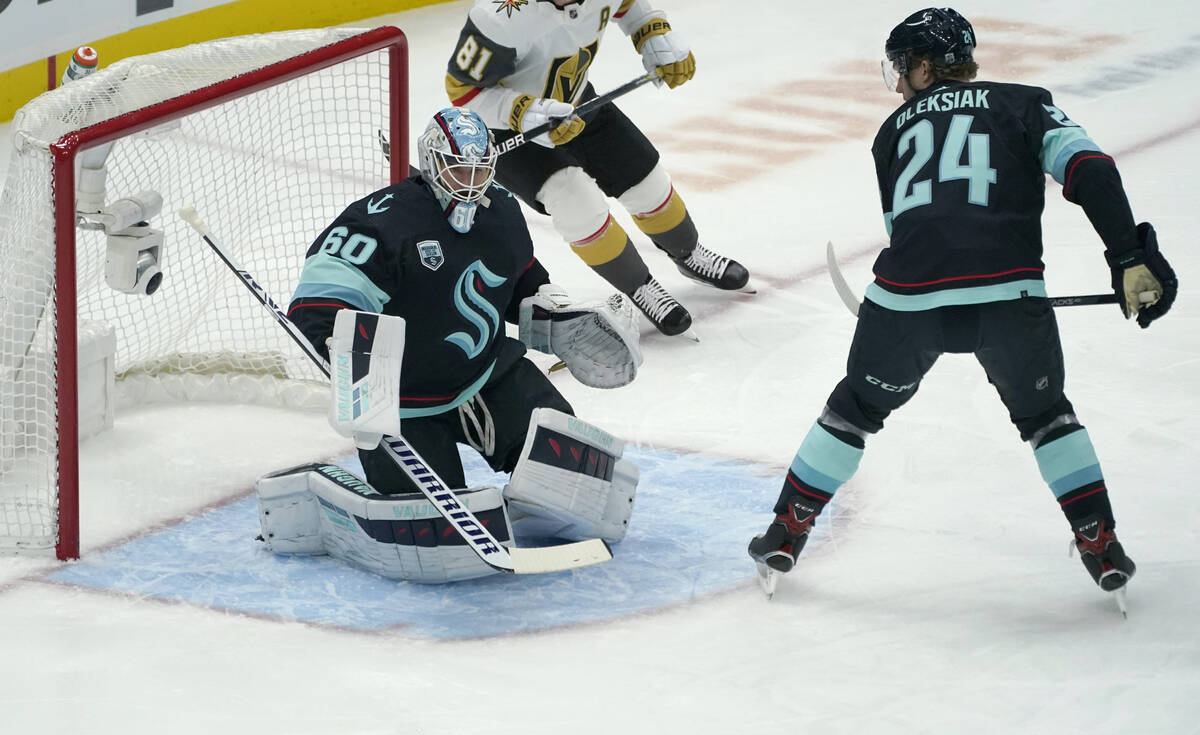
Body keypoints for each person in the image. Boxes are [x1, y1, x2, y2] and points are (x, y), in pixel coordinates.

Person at [748, 8, 1177, 600]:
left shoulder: (891, 132)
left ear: (924, 68)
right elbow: (1090, 169)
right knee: (1046, 415)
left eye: (901, 69)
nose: (897, 84)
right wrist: (1129, 254)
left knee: (853, 410)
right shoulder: (1024, 103)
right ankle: (1098, 540)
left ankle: (785, 531)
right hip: (1010, 301)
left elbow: (914, 231)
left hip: (905, 304)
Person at [284, 108, 641, 569]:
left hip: (488, 378)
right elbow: (317, 304)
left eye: (480, 168)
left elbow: (519, 279)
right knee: (434, 534)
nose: (471, 180)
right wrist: (350, 355)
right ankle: (325, 496)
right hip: (402, 406)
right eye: (458, 167)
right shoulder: (381, 221)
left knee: (579, 482)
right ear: (432, 162)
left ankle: (524, 503)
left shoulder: (502, 211)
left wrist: (554, 313)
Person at [442, 0, 751, 337]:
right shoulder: (500, 15)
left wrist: (651, 32)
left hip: (579, 103)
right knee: (576, 202)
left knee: (647, 182)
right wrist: (525, 112)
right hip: (512, 130)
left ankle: (688, 252)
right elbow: (464, 91)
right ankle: (639, 285)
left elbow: (628, 5)